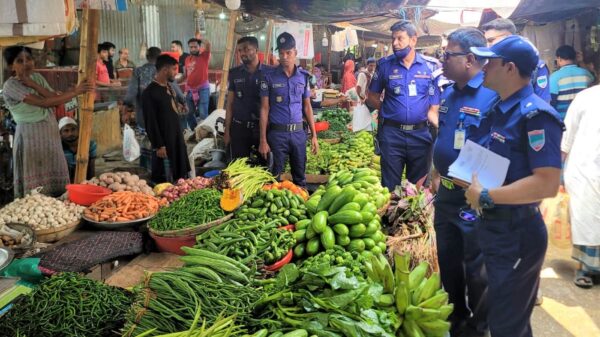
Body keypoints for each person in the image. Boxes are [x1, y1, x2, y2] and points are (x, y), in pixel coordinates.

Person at [467, 35, 564, 337]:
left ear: (509, 68)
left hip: (517, 233)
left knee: (507, 325)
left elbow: (547, 183)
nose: (483, 67)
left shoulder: (535, 115)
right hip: (496, 229)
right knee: (505, 316)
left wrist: (485, 194)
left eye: (489, 61)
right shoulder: (501, 108)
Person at [431, 28, 497, 337]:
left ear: (470, 59)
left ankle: (479, 326)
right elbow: (444, 136)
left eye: (448, 55)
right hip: (444, 196)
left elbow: (498, 150)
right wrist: (435, 169)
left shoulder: (493, 95)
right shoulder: (449, 92)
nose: (442, 60)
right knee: (448, 260)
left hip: (472, 198)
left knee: (476, 266)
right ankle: (456, 318)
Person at [2, 46, 94, 197]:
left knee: (54, 174)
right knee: (34, 181)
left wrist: (32, 83)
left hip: (50, 134)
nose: (26, 63)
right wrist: (75, 92)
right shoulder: (10, 85)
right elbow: (45, 103)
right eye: (20, 61)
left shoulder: (37, 78)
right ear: (11, 66)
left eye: (29, 59)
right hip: (30, 136)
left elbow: (53, 99)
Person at [367, 20, 441, 191]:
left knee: (417, 189)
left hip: (421, 135)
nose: (395, 43)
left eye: (400, 38)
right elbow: (372, 97)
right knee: (390, 187)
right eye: (393, 39)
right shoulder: (385, 65)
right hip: (392, 136)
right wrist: (389, 110)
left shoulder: (431, 67)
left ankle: (411, 218)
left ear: (413, 40)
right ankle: (389, 218)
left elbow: (434, 108)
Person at [259, 32, 319, 187]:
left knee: (300, 178)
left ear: (295, 53)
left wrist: (314, 136)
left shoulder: (303, 77)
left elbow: (307, 106)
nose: (284, 56)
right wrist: (263, 140)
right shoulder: (269, 77)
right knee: (273, 179)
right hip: (277, 135)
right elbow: (264, 109)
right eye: (281, 53)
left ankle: (303, 206)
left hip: (298, 134)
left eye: (288, 52)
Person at [560, 84, 600, 288]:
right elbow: (567, 135)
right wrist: (558, 171)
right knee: (587, 218)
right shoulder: (585, 97)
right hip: (586, 168)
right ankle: (585, 269)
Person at [142, 55, 191, 183]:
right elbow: (150, 121)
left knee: (180, 174)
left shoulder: (169, 86)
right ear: (165, 70)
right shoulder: (149, 92)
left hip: (176, 135)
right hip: (164, 141)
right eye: (174, 69)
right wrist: (159, 145)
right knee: (165, 179)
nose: (176, 73)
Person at [481, 18, 551, 103]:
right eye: (486, 42)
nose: (488, 46)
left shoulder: (535, 65)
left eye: (491, 40)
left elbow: (543, 100)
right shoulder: (487, 65)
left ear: (508, 37)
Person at [224, 36, 271, 161]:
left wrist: (264, 138)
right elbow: (229, 104)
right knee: (238, 168)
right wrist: (227, 131)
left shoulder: (268, 73)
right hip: (239, 129)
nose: (242, 54)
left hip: (261, 129)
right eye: (239, 50)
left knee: (263, 168)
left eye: (246, 49)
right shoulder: (234, 73)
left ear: (256, 49)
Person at [124, 47, 185, 131]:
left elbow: (131, 94)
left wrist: (126, 108)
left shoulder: (138, 71)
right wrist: (183, 102)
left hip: (144, 117)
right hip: (165, 117)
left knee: (147, 138)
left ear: (147, 57)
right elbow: (177, 91)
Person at [549, 45, 594, 120]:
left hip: (564, 121)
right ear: (575, 58)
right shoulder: (586, 74)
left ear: (559, 58)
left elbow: (552, 102)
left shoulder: (554, 77)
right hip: (584, 119)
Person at [182, 37, 211, 131]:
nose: (193, 49)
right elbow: (186, 75)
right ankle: (195, 131)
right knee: (188, 113)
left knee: (203, 114)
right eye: (191, 47)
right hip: (190, 90)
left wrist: (200, 38)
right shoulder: (187, 59)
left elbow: (208, 45)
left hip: (203, 89)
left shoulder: (204, 56)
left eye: (195, 46)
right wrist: (175, 81)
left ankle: (205, 134)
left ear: (199, 47)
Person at [58, 117, 96, 182]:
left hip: (84, 179)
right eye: (66, 131)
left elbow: (91, 167)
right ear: (60, 134)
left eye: (73, 129)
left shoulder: (90, 144)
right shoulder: (58, 147)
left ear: (78, 130)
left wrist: (91, 182)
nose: (70, 133)